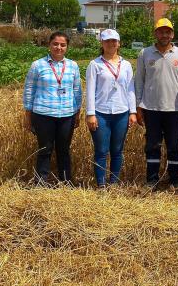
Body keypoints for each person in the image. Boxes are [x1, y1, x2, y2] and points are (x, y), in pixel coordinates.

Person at [134, 18, 178, 190]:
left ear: (172, 34)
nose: (164, 35)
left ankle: (175, 179)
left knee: (174, 145)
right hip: (151, 108)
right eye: (161, 31)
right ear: (155, 33)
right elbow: (139, 81)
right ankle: (152, 180)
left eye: (168, 32)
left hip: (175, 109)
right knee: (152, 146)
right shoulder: (145, 53)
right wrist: (138, 106)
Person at [22, 31, 82, 185]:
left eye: (63, 45)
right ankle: (41, 182)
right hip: (43, 114)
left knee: (64, 150)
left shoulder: (73, 65)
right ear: (49, 45)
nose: (59, 47)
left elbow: (77, 90)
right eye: (55, 44)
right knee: (45, 149)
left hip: (67, 114)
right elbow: (29, 89)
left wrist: (77, 113)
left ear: (67, 47)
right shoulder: (38, 65)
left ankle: (66, 182)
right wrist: (28, 114)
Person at [85, 29, 137, 188]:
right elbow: (90, 90)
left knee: (117, 150)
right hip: (101, 113)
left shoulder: (126, 65)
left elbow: (130, 89)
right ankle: (101, 185)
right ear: (102, 43)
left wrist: (133, 111)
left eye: (114, 41)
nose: (111, 44)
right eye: (107, 41)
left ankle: (113, 183)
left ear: (119, 43)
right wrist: (90, 114)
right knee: (101, 150)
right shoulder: (95, 64)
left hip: (122, 112)